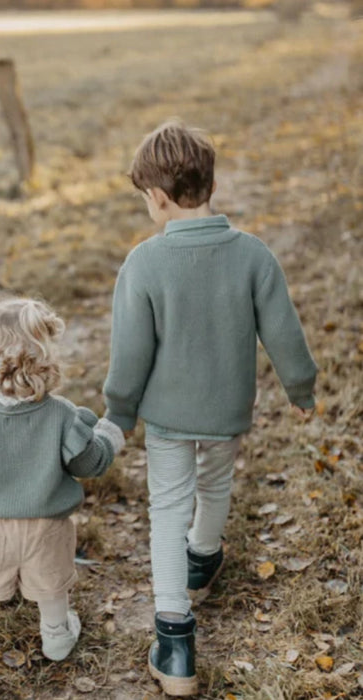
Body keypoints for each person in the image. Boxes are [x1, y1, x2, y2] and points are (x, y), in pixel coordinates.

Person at [103, 119, 317, 696]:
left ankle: (175, 640)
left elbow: (129, 355)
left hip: (169, 416)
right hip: (227, 408)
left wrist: (120, 412)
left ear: (157, 197)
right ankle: (203, 556)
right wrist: (302, 389)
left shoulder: (144, 263)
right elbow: (285, 334)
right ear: (210, 184)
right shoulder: (253, 254)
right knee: (216, 483)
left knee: (167, 508)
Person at [0, 298, 125, 695]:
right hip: (46, 527)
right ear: (44, 355)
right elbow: (91, 462)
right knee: (51, 590)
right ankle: (56, 638)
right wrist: (108, 434)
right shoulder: (63, 414)